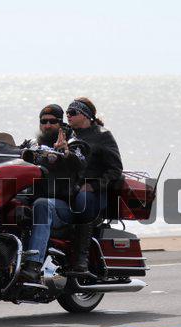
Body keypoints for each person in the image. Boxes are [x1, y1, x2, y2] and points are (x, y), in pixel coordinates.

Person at [21, 104, 87, 282]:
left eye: (52, 121)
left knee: (42, 204)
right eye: (44, 121)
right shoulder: (34, 144)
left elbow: (80, 161)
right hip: (36, 199)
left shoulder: (74, 143)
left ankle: (33, 265)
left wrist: (66, 153)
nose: (47, 125)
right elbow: (13, 152)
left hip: (64, 206)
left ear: (60, 123)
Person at [66, 97, 123, 276]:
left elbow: (116, 169)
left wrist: (93, 186)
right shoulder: (68, 135)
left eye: (72, 112)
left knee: (83, 202)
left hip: (95, 193)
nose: (68, 115)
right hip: (70, 190)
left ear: (85, 115)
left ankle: (81, 259)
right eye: (67, 112)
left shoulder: (102, 135)